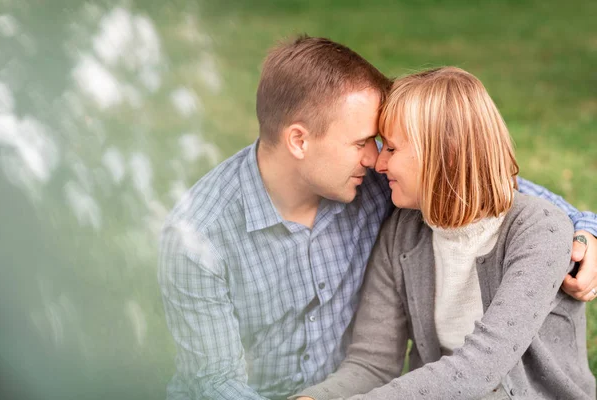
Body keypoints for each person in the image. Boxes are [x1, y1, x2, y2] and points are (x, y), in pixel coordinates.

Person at [157, 36, 597, 400]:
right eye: (365, 142)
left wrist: (585, 227)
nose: (375, 160)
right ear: (298, 140)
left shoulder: (379, 188)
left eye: (387, 145)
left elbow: (490, 190)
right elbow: (218, 383)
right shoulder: (197, 238)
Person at [293, 67, 596, 400]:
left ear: (445, 154)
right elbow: (371, 365)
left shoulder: (537, 232)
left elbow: (480, 368)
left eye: (391, 149)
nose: (378, 163)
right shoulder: (402, 233)